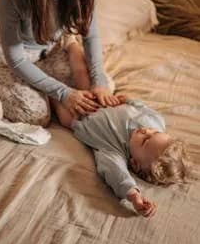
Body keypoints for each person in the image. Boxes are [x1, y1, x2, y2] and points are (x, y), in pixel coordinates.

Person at [52, 85, 191, 218]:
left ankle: (49, 94)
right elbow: (146, 110)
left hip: (79, 114)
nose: (146, 130)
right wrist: (129, 100)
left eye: (144, 140)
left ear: (135, 163)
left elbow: (118, 175)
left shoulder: (115, 152)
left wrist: (134, 196)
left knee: (64, 115)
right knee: (86, 77)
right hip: (101, 98)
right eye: (154, 132)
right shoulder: (156, 122)